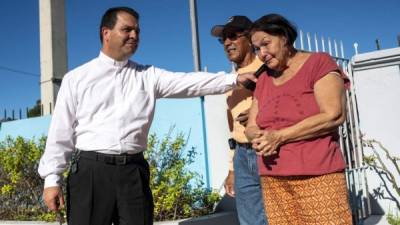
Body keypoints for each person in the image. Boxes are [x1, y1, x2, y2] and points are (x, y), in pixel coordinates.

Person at [38, 7, 256, 225]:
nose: (134, 36)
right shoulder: (76, 78)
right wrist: (51, 179)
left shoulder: (148, 76)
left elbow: (190, 82)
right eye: (127, 29)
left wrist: (234, 80)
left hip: (134, 172)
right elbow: (60, 132)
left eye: (137, 31)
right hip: (91, 173)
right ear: (106, 33)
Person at [245, 14, 353, 225]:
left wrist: (278, 137)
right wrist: (257, 136)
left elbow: (334, 114)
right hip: (273, 177)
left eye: (266, 44)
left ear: (284, 37)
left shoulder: (318, 63)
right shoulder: (264, 79)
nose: (262, 54)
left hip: (317, 174)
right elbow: (251, 124)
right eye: (257, 49)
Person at [211, 16, 267, 225]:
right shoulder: (230, 82)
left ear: (250, 38)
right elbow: (232, 129)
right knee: (250, 222)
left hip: (270, 151)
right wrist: (232, 169)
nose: (227, 43)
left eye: (233, 36)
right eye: (224, 39)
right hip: (242, 156)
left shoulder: (270, 68)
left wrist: (258, 112)